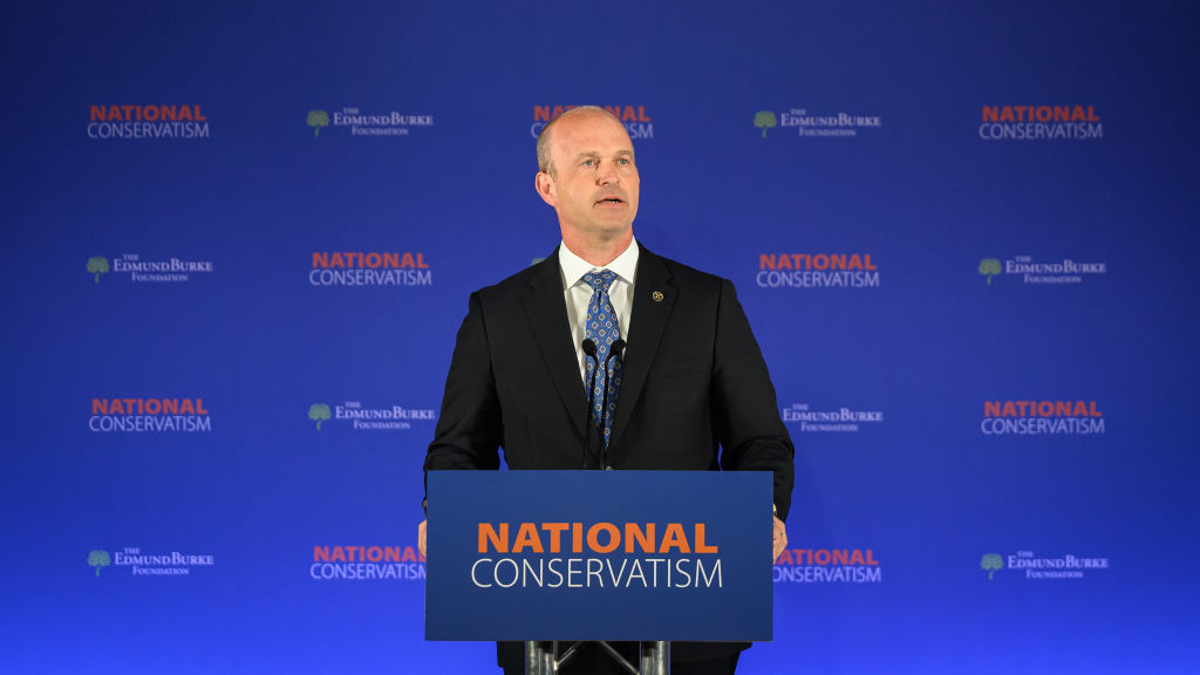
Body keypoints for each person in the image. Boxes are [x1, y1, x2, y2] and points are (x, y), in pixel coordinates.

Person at [420, 106, 795, 675]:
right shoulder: (496, 313)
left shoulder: (707, 303)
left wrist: (760, 514)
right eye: (589, 162)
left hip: (687, 617)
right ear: (546, 186)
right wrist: (446, 513)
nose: (610, 175)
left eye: (623, 160)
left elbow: (760, 440)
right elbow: (457, 450)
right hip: (544, 616)